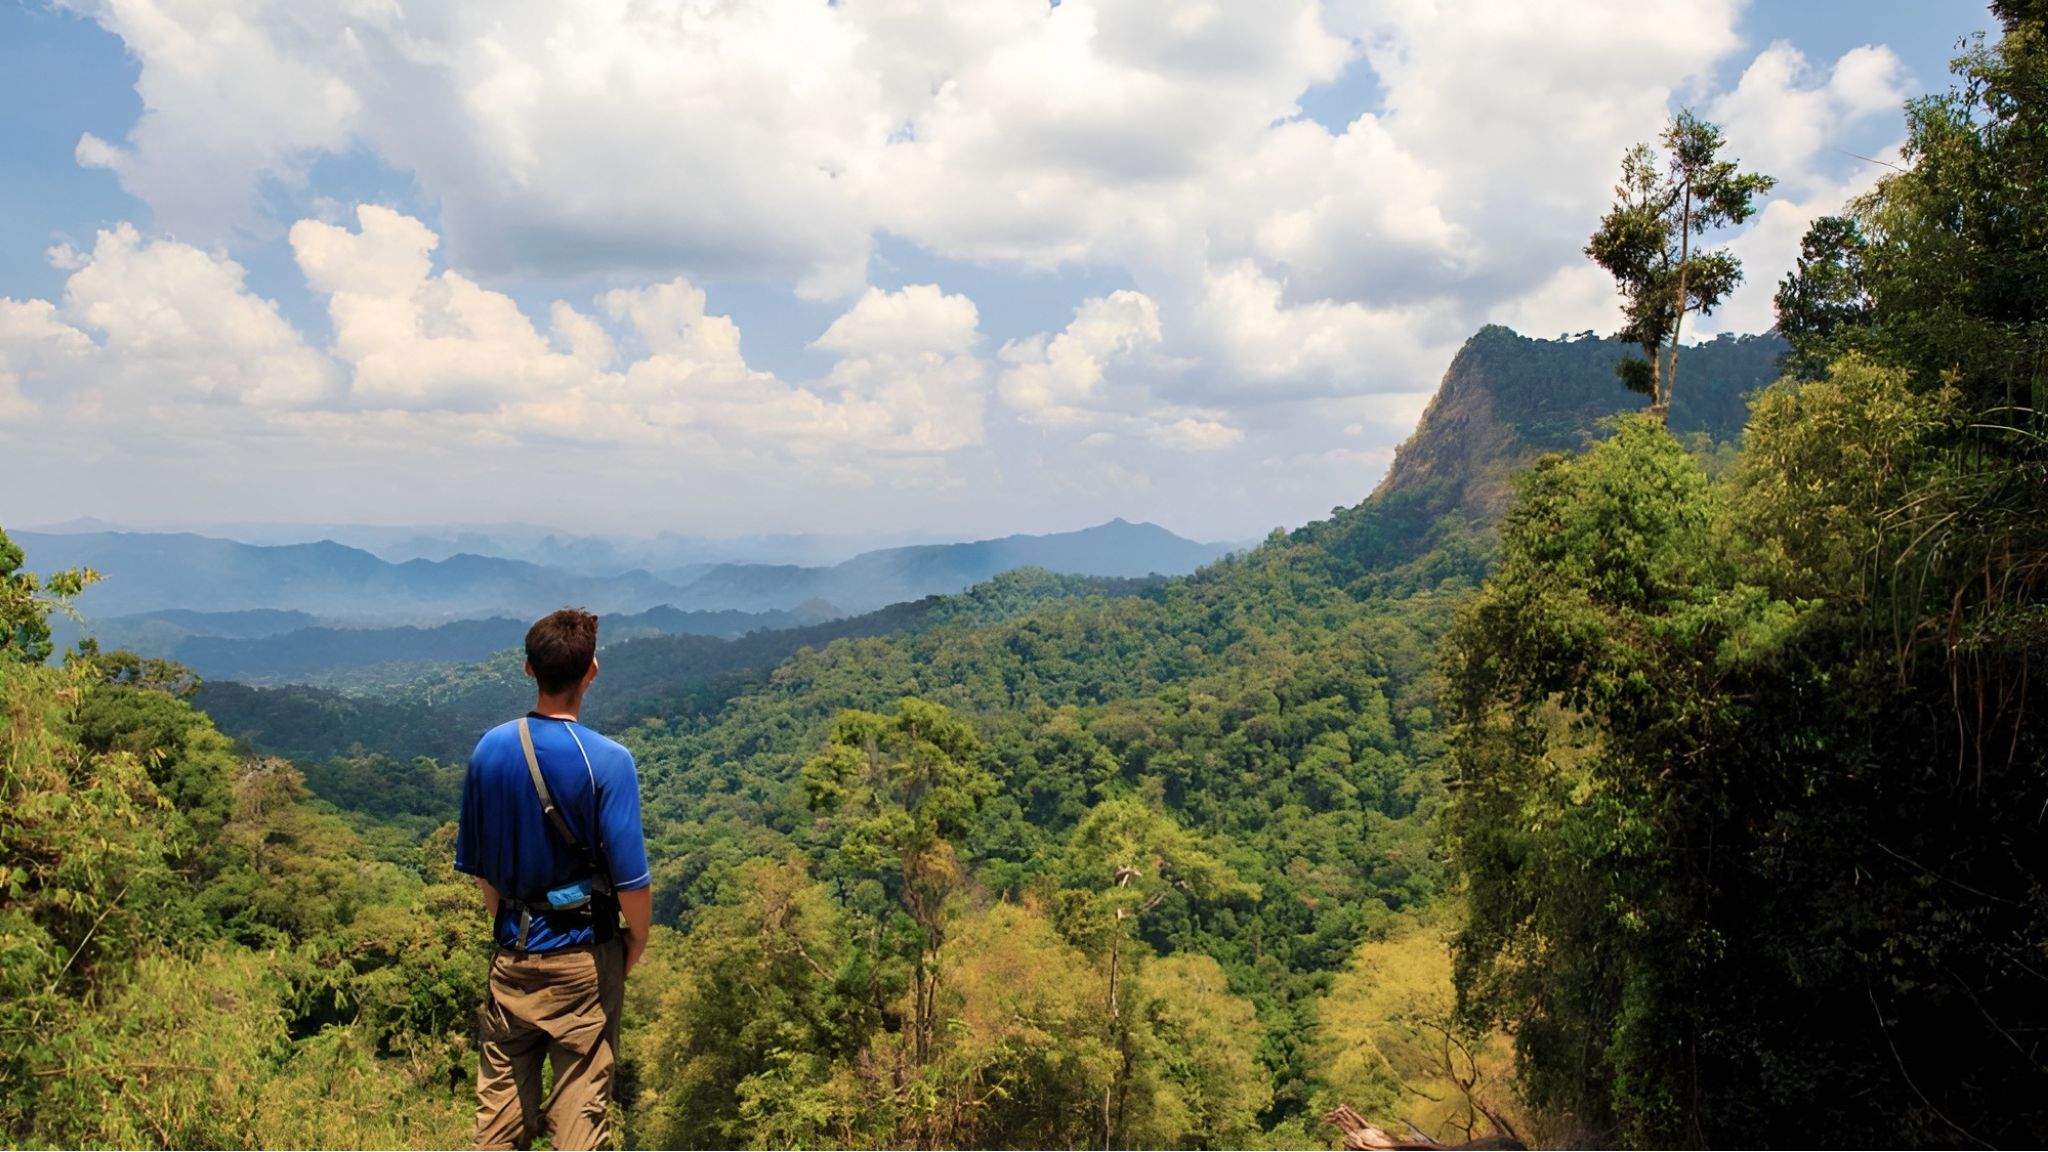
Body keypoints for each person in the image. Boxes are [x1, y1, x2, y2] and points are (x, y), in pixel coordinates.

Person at [455, 608, 653, 1151]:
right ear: (592, 670)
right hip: (585, 962)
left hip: (512, 960)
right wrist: (633, 946)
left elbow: (482, 870)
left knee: (497, 1122)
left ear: (527, 668)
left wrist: (513, 927)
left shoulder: (489, 751)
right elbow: (633, 884)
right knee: (579, 1119)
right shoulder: (609, 762)